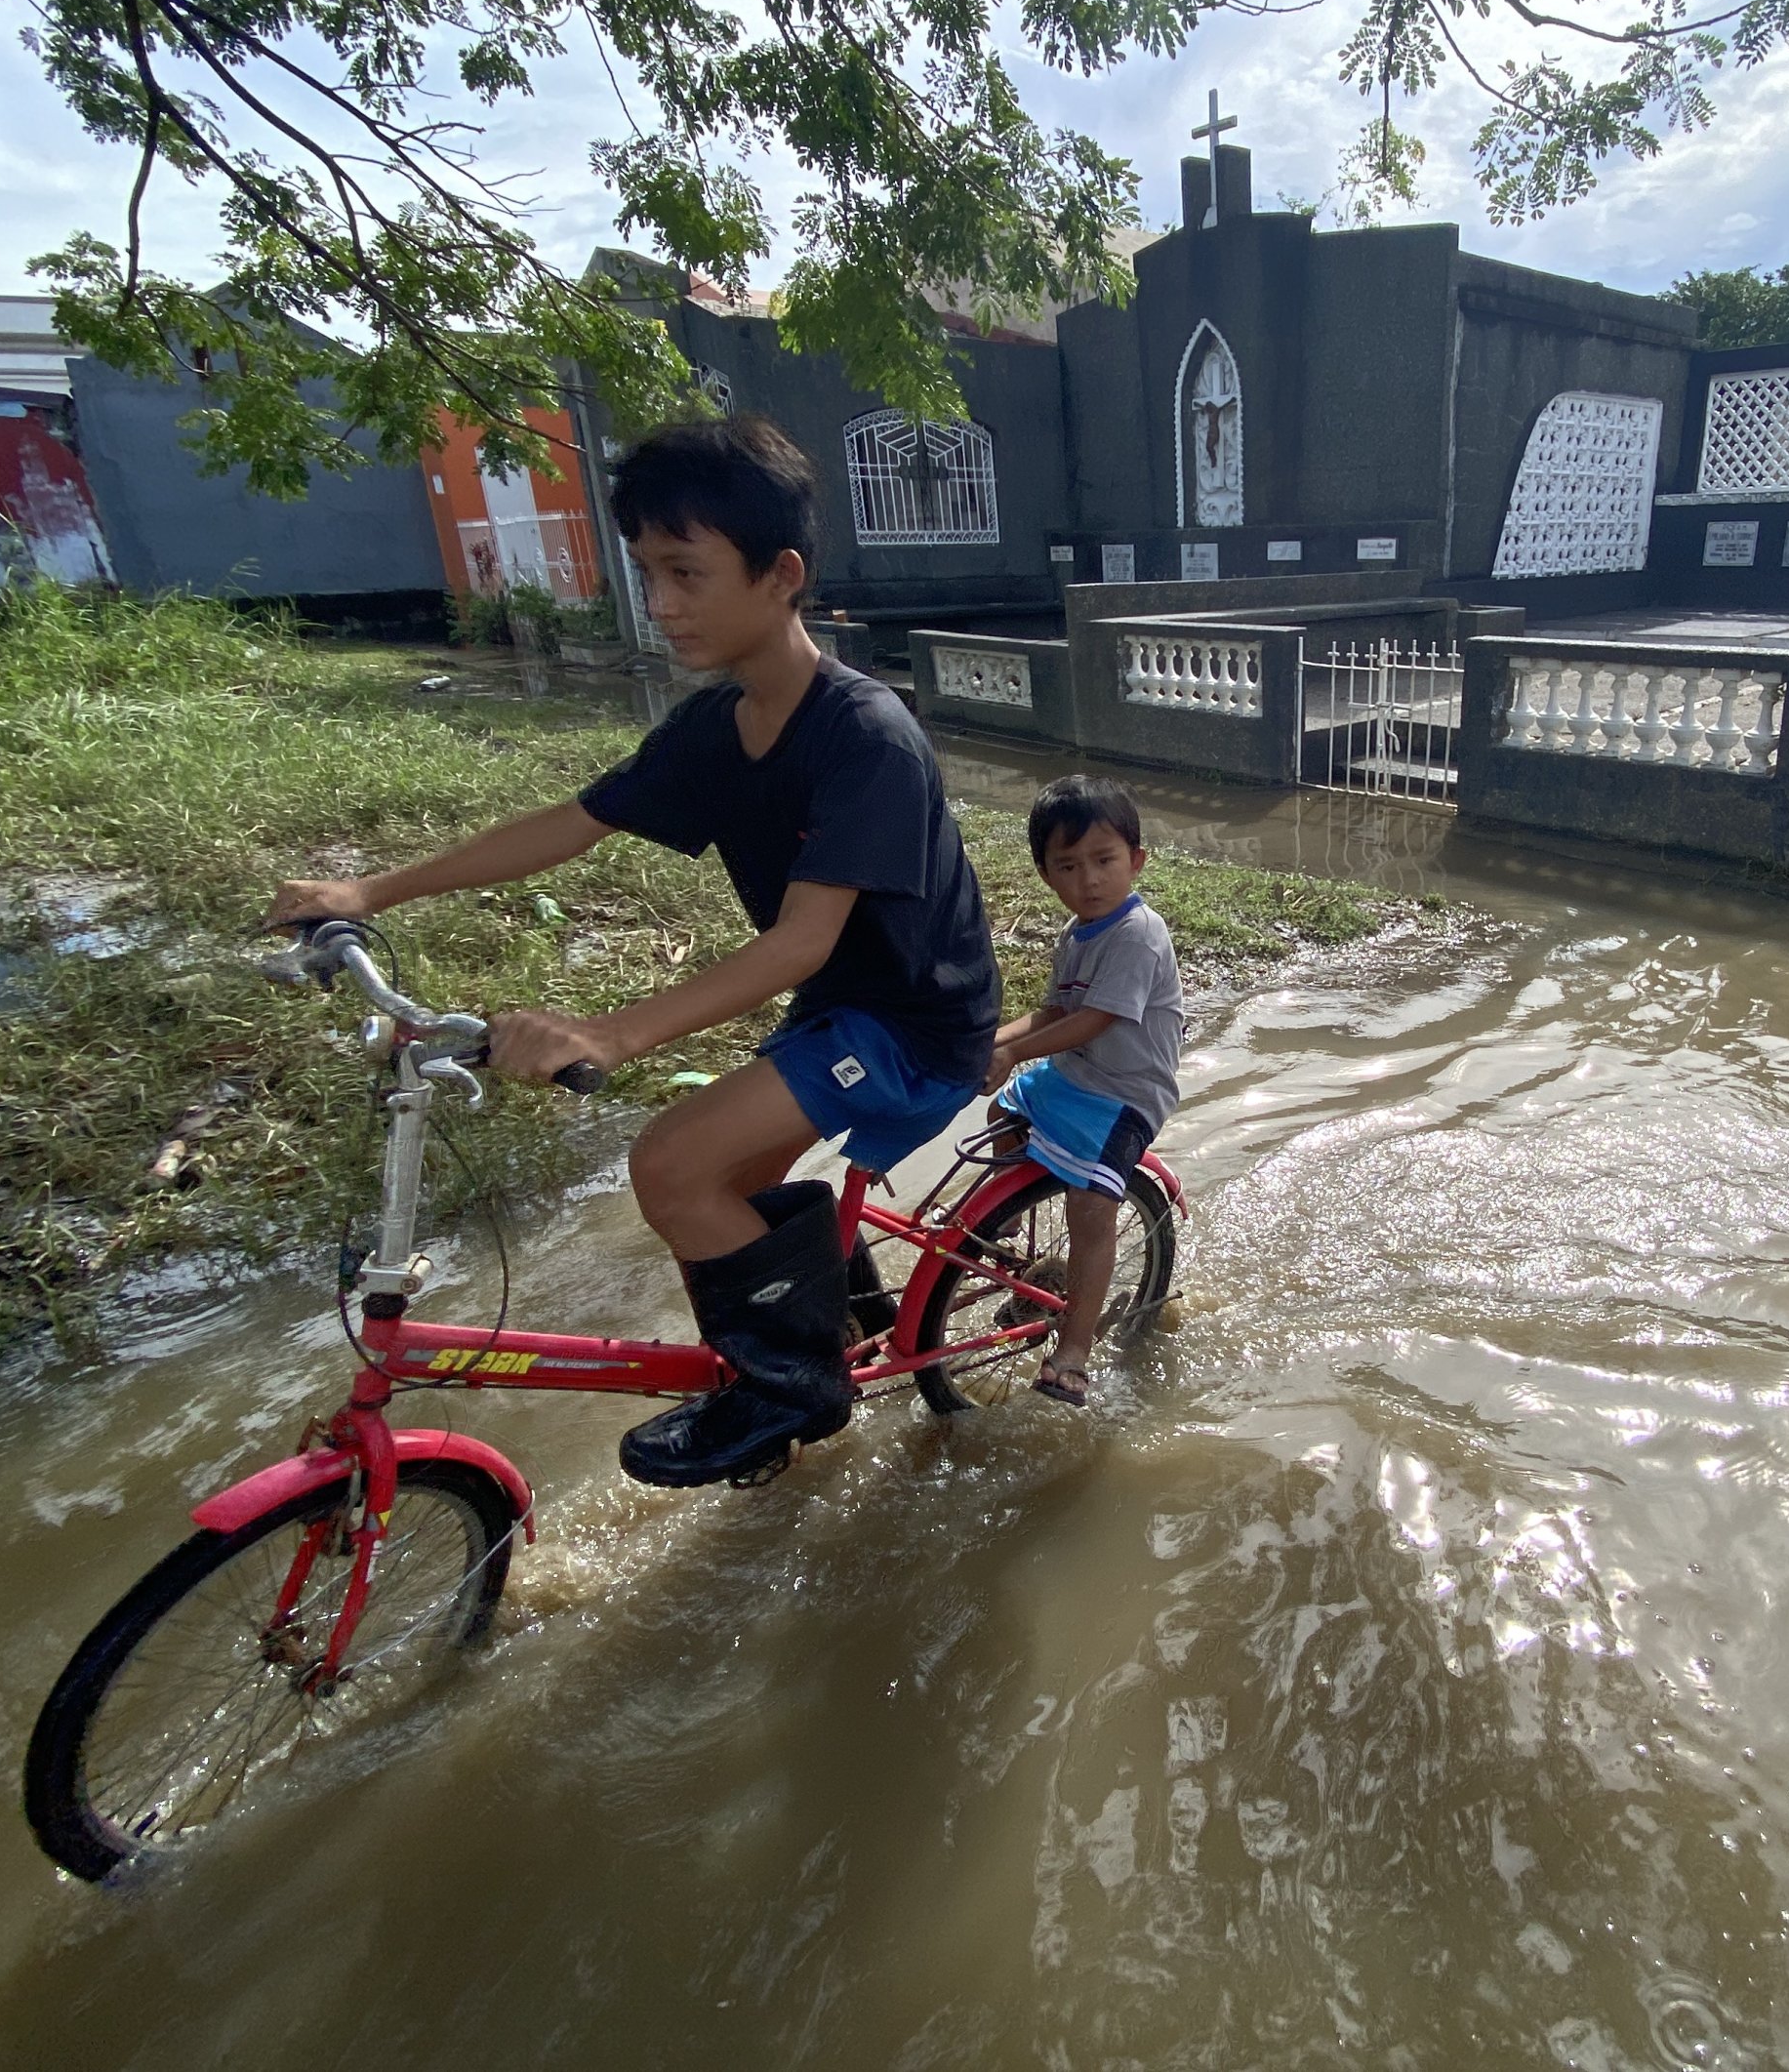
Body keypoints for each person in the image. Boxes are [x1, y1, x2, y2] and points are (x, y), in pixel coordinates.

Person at [264, 417, 1000, 1487]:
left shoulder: (865, 735)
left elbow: (804, 938)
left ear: (781, 574)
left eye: (688, 573)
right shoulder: (719, 726)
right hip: (842, 1011)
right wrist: (371, 889)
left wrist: (614, 1030)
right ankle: (839, 1321)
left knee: (671, 1163)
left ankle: (791, 1390)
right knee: (734, 1187)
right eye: (649, 571)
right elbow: (573, 820)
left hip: (911, 1023)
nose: (660, 603)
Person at [983, 776, 1182, 1408]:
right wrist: (989, 1041)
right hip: (1074, 1076)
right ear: (1046, 874)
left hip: (1123, 1095)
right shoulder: (1077, 933)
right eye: (1068, 866)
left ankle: (1073, 1352)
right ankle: (1007, 1225)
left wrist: (1011, 1052)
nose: (1088, 880)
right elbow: (1052, 1015)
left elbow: (1096, 1020)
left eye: (1104, 861)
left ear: (1137, 861)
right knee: (1002, 1111)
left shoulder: (1137, 934)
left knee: (1091, 1212)